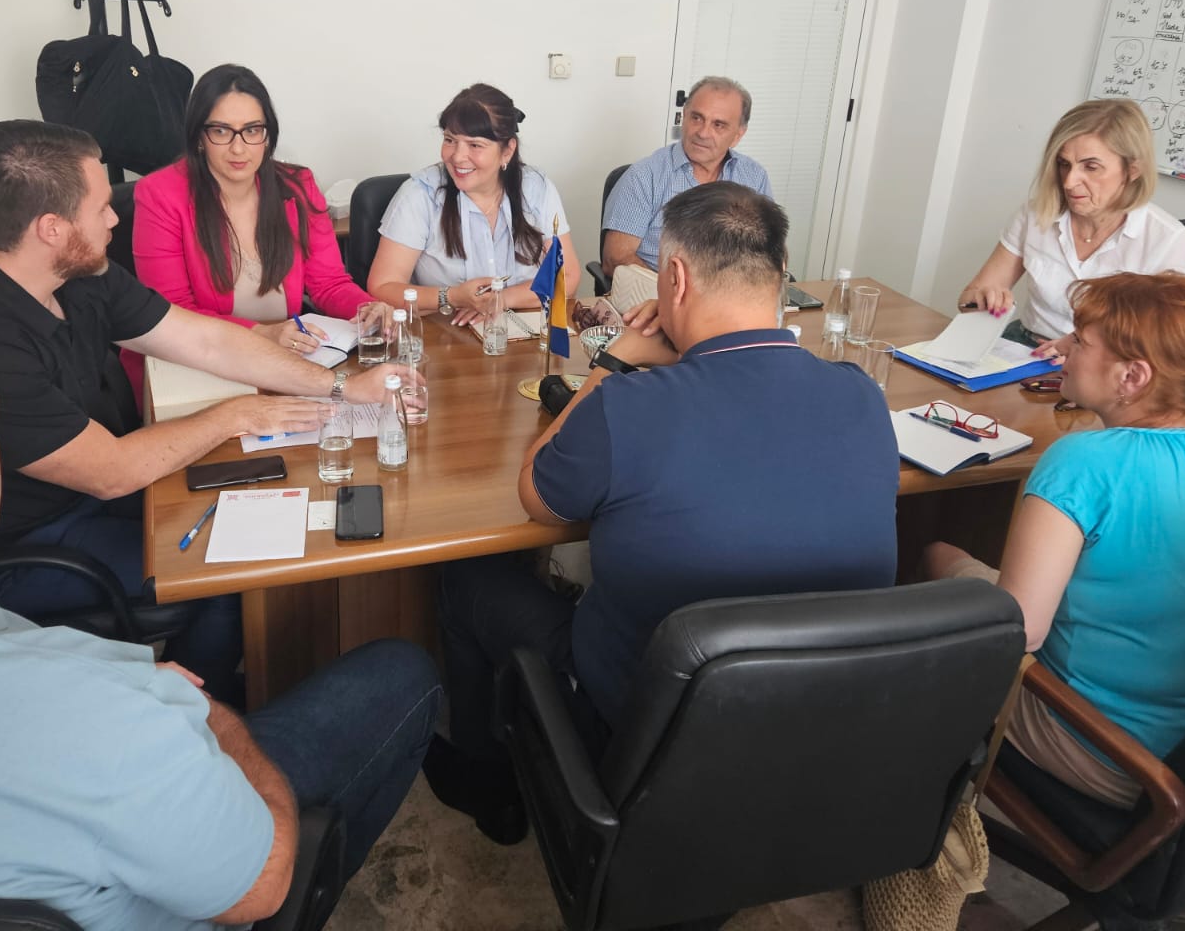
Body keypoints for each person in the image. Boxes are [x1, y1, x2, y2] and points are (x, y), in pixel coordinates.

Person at [0, 282, 440, 927]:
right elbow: (260, 883)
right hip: (204, 847)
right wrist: (205, 716)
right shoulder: (111, 712)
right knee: (402, 675)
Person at [424, 182, 899, 843]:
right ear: (781, 276)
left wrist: (613, 362)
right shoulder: (861, 395)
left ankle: (487, 781)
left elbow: (536, 495)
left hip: (642, 727)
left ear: (673, 278)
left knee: (467, 578)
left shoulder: (630, 406)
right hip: (813, 723)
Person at [0, 120, 409, 703]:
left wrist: (341, 387)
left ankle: (241, 675)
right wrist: (236, 415)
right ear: (51, 228)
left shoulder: (79, 273)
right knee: (221, 571)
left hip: (93, 494)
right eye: (102, 209)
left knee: (257, 499)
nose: (113, 220)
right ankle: (192, 715)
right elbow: (109, 472)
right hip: (28, 542)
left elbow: (206, 341)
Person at [924, 272, 1185, 808]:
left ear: (1132, 376)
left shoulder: (1083, 462)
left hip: (1112, 751)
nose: (1063, 349)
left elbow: (1016, 633)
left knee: (935, 556)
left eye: (1081, 342)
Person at [132, 65, 382, 388]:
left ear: (267, 136)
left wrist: (366, 309)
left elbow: (329, 283)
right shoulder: (160, 196)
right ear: (199, 137)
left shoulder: (298, 186)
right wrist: (263, 334)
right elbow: (173, 315)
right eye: (221, 131)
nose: (239, 148)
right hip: (196, 365)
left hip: (285, 360)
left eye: (252, 130)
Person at [959, 98, 1185, 358]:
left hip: (1103, 363)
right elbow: (967, 301)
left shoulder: (1167, 239)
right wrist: (981, 300)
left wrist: (1077, 351)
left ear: (1133, 170)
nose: (1069, 182)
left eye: (1091, 167)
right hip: (1023, 347)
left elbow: (1161, 342)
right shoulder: (1035, 214)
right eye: (1063, 164)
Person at [366, 83, 577, 326]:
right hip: (443, 334)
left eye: (475, 145)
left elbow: (567, 276)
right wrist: (452, 296)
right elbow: (382, 287)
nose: (457, 156)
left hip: (523, 332)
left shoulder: (536, 188)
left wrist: (500, 300)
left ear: (507, 151)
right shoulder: (419, 195)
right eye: (450, 140)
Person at [600, 76, 773, 310]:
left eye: (718, 125)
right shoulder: (644, 175)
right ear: (684, 117)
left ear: (738, 135)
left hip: (731, 306)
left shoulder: (754, 177)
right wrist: (679, 296)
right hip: (659, 302)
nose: (703, 132)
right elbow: (616, 259)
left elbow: (770, 253)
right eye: (696, 118)